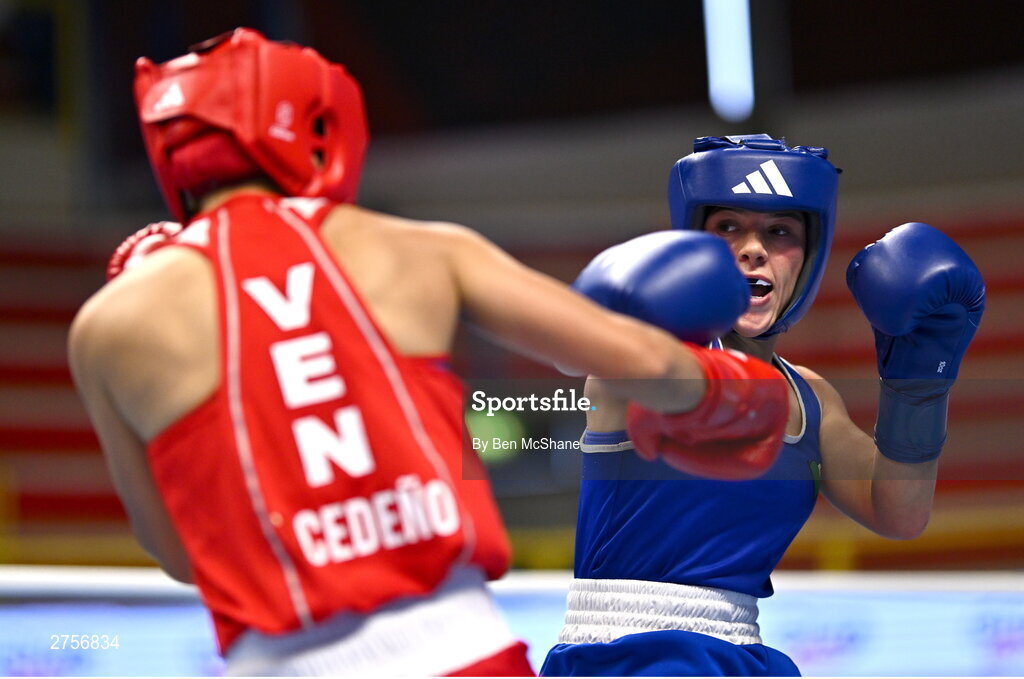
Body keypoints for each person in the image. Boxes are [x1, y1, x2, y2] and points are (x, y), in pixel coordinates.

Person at [68, 32, 792, 677]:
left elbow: (174, 550)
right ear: (312, 127)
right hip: (450, 650)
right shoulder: (412, 249)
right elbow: (647, 363)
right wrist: (746, 400)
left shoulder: (107, 324)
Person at [541, 134, 987, 676]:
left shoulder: (811, 397)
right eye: (728, 227)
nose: (754, 248)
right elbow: (573, 354)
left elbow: (900, 514)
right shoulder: (650, 353)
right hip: (624, 654)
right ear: (691, 244)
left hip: (741, 651)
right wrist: (614, 305)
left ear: (809, 258)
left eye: (779, 232)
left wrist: (919, 386)